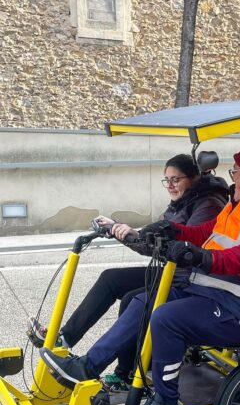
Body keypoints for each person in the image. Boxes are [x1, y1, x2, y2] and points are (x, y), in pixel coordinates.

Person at [39, 140, 240, 405]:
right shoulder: (239, 203)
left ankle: (166, 404)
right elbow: (204, 232)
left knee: (166, 317)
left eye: (235, 170)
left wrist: (200, 256)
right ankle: (88, 367)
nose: (233, 175)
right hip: (212, 294)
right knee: (143, 301)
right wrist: (173, 230)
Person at [28, 153, 229, 390]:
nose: (170, 185)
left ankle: (123, 373)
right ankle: (65, 338)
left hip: (189, 277)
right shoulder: (183, 201)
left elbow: (178, 246)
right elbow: (158, 239)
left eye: (176, 180)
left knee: (134, 299)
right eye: (166, 180)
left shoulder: (209, 204)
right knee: (111, 278)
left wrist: (134, 235)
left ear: (194, 178)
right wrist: (120, 230)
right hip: (173, 271)